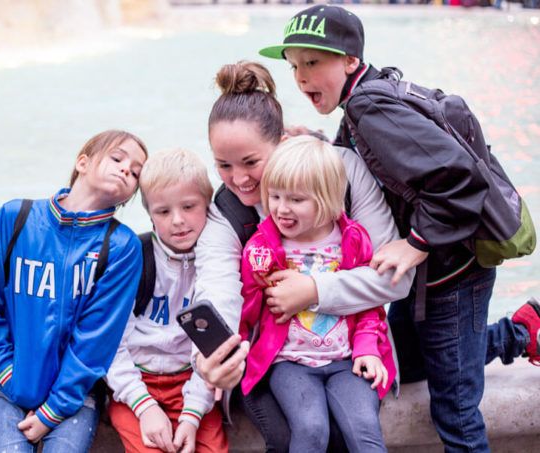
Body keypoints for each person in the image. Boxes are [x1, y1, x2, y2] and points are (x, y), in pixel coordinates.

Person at [258, 5, 540, 452]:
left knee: (455, 409)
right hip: (429, 278)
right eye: (295, 66)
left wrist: (414, 245)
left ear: (350, 60)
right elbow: (373, 163)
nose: (302, 77)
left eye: (314, 62)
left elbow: (460, 178)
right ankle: (521, 332)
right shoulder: (364, 97)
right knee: (406, 363)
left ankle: (518, 334)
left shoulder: (369, 107)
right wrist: (313, 142)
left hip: (453, 275)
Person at [193, 60, 413, 453]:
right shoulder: (226, 212)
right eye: (223, 165)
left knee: (353, 432)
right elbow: (219, 292)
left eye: (251, 163)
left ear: (280, 143)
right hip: (271, 358)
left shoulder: (342, 172)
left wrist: (312, 289)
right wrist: (209, 356)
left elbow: (395, 276)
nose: (238, 179)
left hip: (351, 348)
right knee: (298, 436)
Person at [0, 130, 147, 452]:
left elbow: (96, 340)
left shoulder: (122, 247)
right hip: (9, 382)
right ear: (83, 163)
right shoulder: (15, 217)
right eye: (117, 158)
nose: (125, 170)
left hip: (75, 397)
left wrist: (53, 411)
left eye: (135, 172)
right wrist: (9, 374)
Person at [240, 135, 396, 452]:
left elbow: (369, 301)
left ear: (327, 199)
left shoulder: (353, 239)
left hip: (347, 360)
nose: (281, 209)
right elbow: (248, 306)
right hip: (290, 363)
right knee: (311, 429)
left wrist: (367, 347)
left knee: (364, 431)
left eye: (296, 200)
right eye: (274, 196)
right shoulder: (262, 246)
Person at [105, 148, 229, 453]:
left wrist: (192, 414)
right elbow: (109, 342)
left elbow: (213, 347)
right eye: (163, 212)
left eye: (188, 206)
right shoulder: (133, 258)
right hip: (136, 381)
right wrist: (143, 405)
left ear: (208, 200)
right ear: (149, 213)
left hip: (192, 382)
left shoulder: (217, 263)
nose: (178, 221)